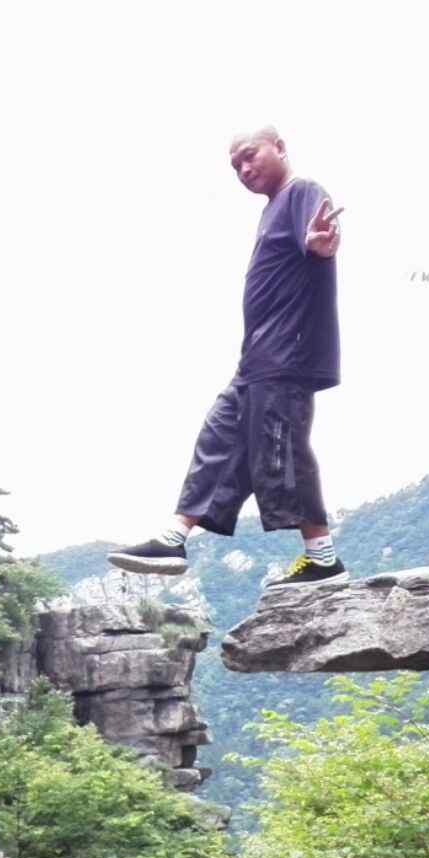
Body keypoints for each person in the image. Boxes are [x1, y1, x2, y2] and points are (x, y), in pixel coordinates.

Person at [108, 126, 348, 589]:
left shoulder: (302, 192)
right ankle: (174, 538)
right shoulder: (271, 208)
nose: (243, 169)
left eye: (250, 155)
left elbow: (316, 236)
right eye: (235, 165)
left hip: (286, 355)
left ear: (279, 147)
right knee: (218, 436)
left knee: (282, 449)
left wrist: (319, 245)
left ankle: (324, 560)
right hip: (256, 358)